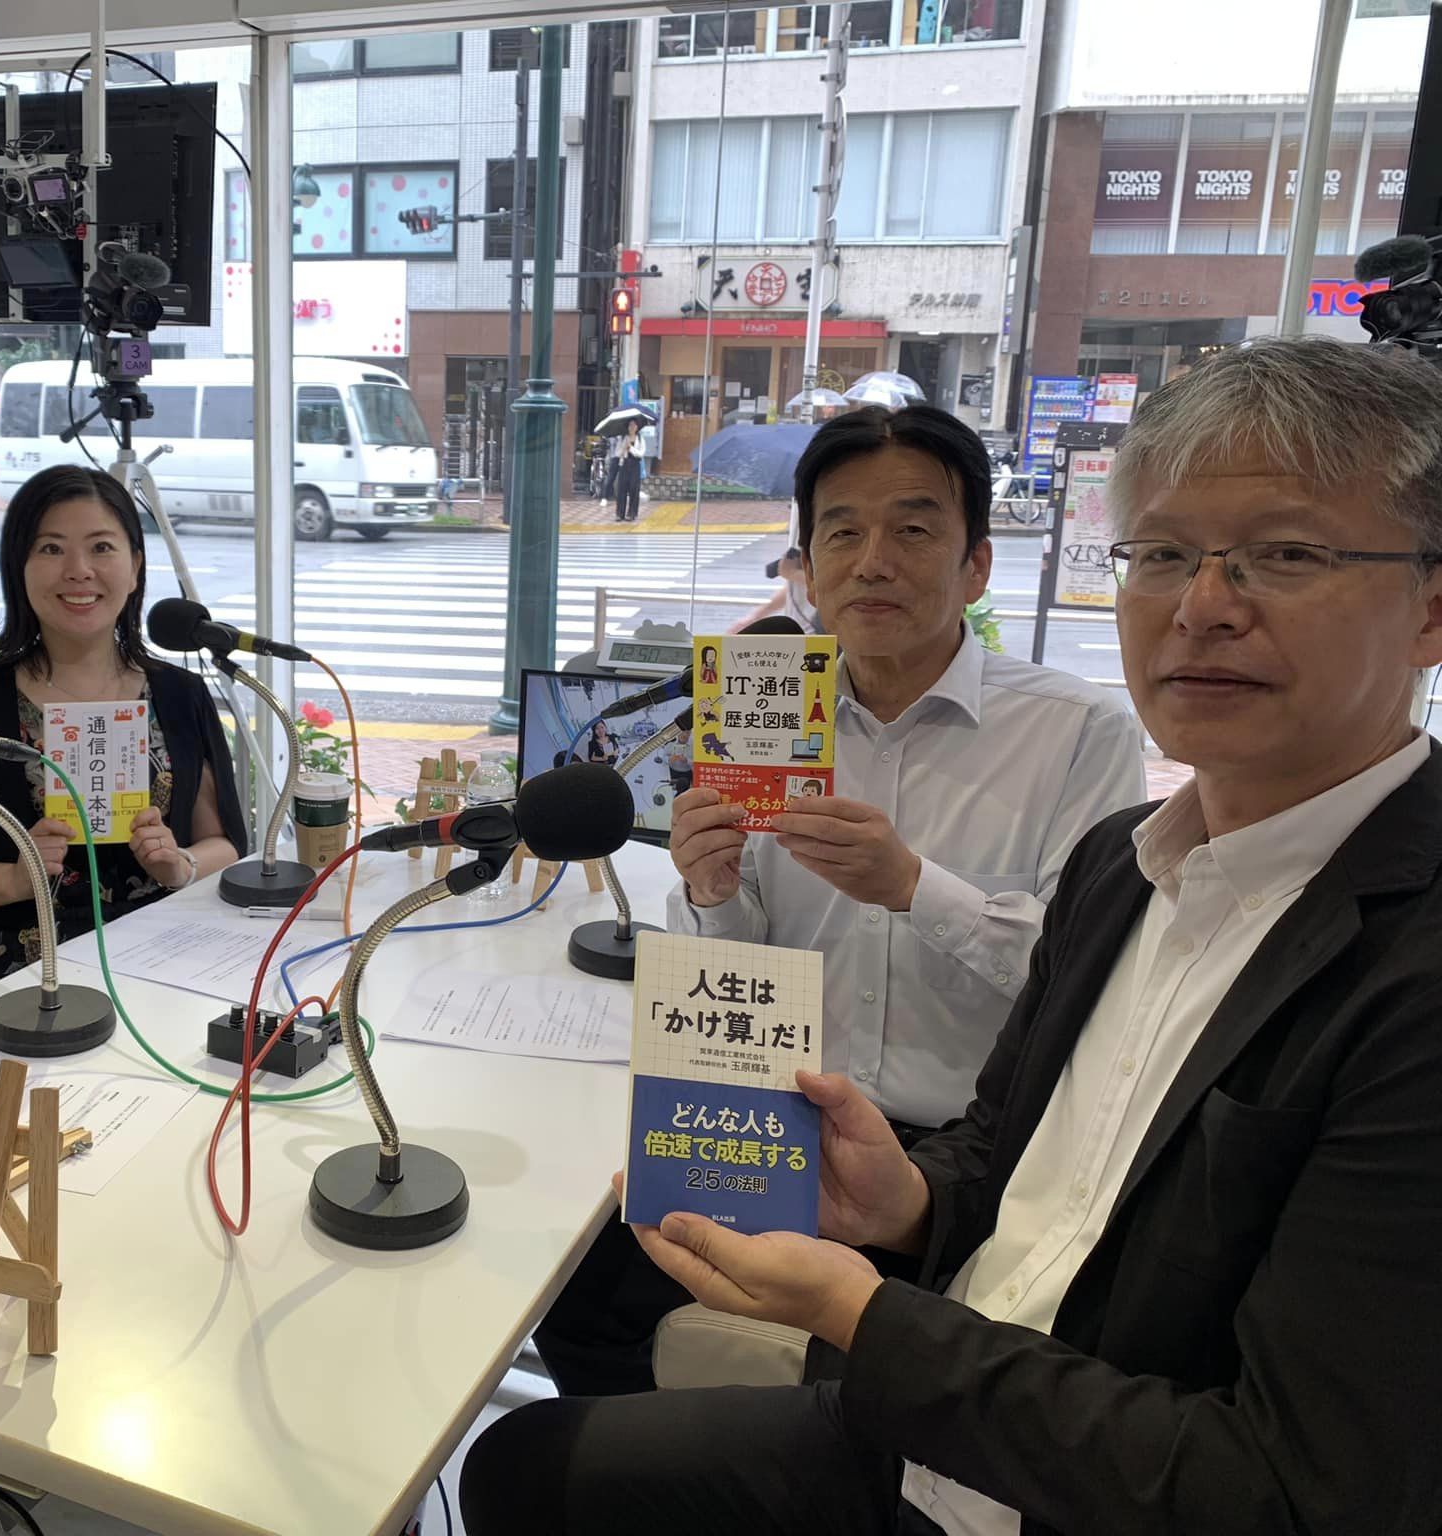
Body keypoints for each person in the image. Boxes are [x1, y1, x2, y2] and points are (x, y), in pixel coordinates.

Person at [462, 337, 1442, 1536]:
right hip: (871, 1183)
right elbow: (1020, 1143)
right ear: (802, 566)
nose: (1200, 606)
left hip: (1042, 1450)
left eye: (1283, 554)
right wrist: (906, 1200)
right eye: (1160, 555)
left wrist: (910, 888)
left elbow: (1298, 1486)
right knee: (538, 1413)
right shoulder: (1127, 861)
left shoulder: (1094, 751)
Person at [529, 403, 1147, 1399]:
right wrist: (711, 891)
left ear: (976, 565)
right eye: (841, 533)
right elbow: (732, 962)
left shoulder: (1076, 731)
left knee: (840, 1385)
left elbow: (1088, 979)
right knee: (574, 1293)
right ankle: (658, 1457)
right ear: (806, 571)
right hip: (772, 1116)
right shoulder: (759, 710)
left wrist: (912, 887)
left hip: (963, 1156)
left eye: (913, 529)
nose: (872, 563)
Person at [0, 464, 248, 1015]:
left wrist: (181, 865)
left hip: (157, 953)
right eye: (51, 549)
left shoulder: (180, 694)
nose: (79, 571)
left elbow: (221, 842)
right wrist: (16, 878)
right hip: (15, 969)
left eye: (101, 547)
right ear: (20, 567)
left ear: (135, 567)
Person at [736, 546, 820, 632]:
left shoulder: (820, 540)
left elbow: (826, 583)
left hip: (818, 630)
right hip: (798, 629)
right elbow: (793, 587)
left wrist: (792, 573)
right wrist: (755, 617)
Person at [612, 422, 646, 523]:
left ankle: (631, 513)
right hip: (624, 465)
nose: (632, 427)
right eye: (630, 425)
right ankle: (619, 514)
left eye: (634, 425)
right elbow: (617, 453)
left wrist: (630, 448)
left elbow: (641, 454)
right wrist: (623, 449)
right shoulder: (623, 438)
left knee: (634, 489)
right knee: (621, 489)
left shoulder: (640, 439)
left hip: (635, 465)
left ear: (637, 427)